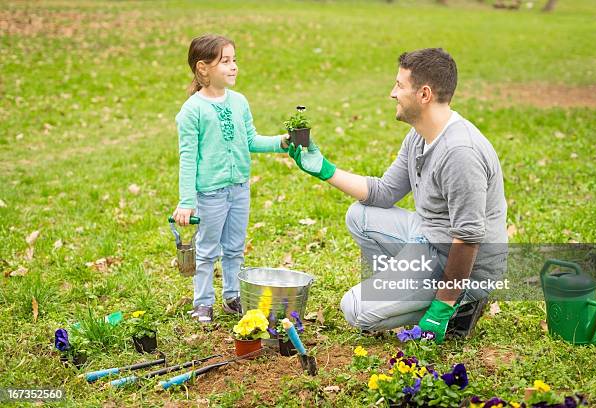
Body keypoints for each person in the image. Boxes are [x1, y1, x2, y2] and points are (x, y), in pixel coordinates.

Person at [287, 48, 508, 343]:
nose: (392, 93)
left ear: (424, 94)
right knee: (359, 215)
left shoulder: (460, 153)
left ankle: (460, 305)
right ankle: (404, 290)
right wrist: (326, 170)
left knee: (355, 310)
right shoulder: (419, 135)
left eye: (400, 85)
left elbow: (467, 239)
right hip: (428, 237)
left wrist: (440, 309)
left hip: (466, 264)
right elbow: (384, 192)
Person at [173, 34, 289, 325]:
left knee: (235, 246)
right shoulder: (192, 111)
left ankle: (232, 296)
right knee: (208, 249)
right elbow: (187, 159)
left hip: (239, 189)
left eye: (234, 60)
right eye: (225, 61)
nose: (234, 66)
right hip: (209, 194)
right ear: (203, 69)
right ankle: (202, 302)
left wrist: (282, 143)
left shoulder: (239, 102)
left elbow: (250, 139)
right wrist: (187, 202)